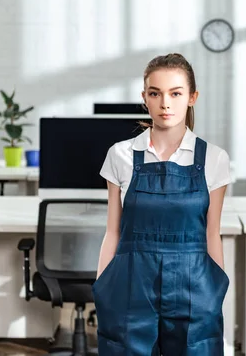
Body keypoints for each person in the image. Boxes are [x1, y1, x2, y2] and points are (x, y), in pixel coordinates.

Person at [92, 53, 232, 355]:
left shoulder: (214, 158)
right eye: (155, 93)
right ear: (145, 97)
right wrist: (102, 287)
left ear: (192, 97)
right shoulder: (121, 155)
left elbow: (212, 234)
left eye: (176, 93)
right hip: (130, 285)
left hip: (195, 287)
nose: (165, 103)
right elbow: (113, 231)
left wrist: (215, 292)